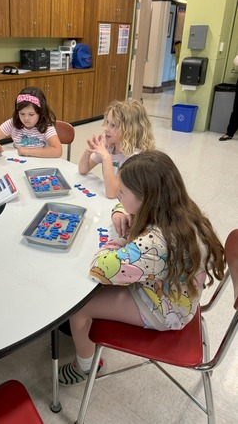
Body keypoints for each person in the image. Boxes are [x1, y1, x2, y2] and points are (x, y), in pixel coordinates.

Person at [59, 150, 225, 386]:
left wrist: (117, 244)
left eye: (123, 191)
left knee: (79, 307)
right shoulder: (180, 209)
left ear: (146, 198)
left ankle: (84, 367)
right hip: (181, 292)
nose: (117, 193)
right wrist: (123, 212)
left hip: (166, 310)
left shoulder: (154, 243)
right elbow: (122, 207)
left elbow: (101, 268)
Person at [78, 100, 155, 198]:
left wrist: (106, 157)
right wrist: (89, 151)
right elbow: (83, 169)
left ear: (129, 130)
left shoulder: (135, 158)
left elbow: (113, 193)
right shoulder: (109, 146)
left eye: (113, 125)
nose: (106, 128)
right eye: (107, 122)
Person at [0, 87, 62, 158]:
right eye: (22, 113)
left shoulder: (46, 126)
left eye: (31, 114)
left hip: (40, 164)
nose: (26, 118)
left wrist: (28, 151)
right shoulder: (13, 122)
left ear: (40, 113)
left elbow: (57, 151)